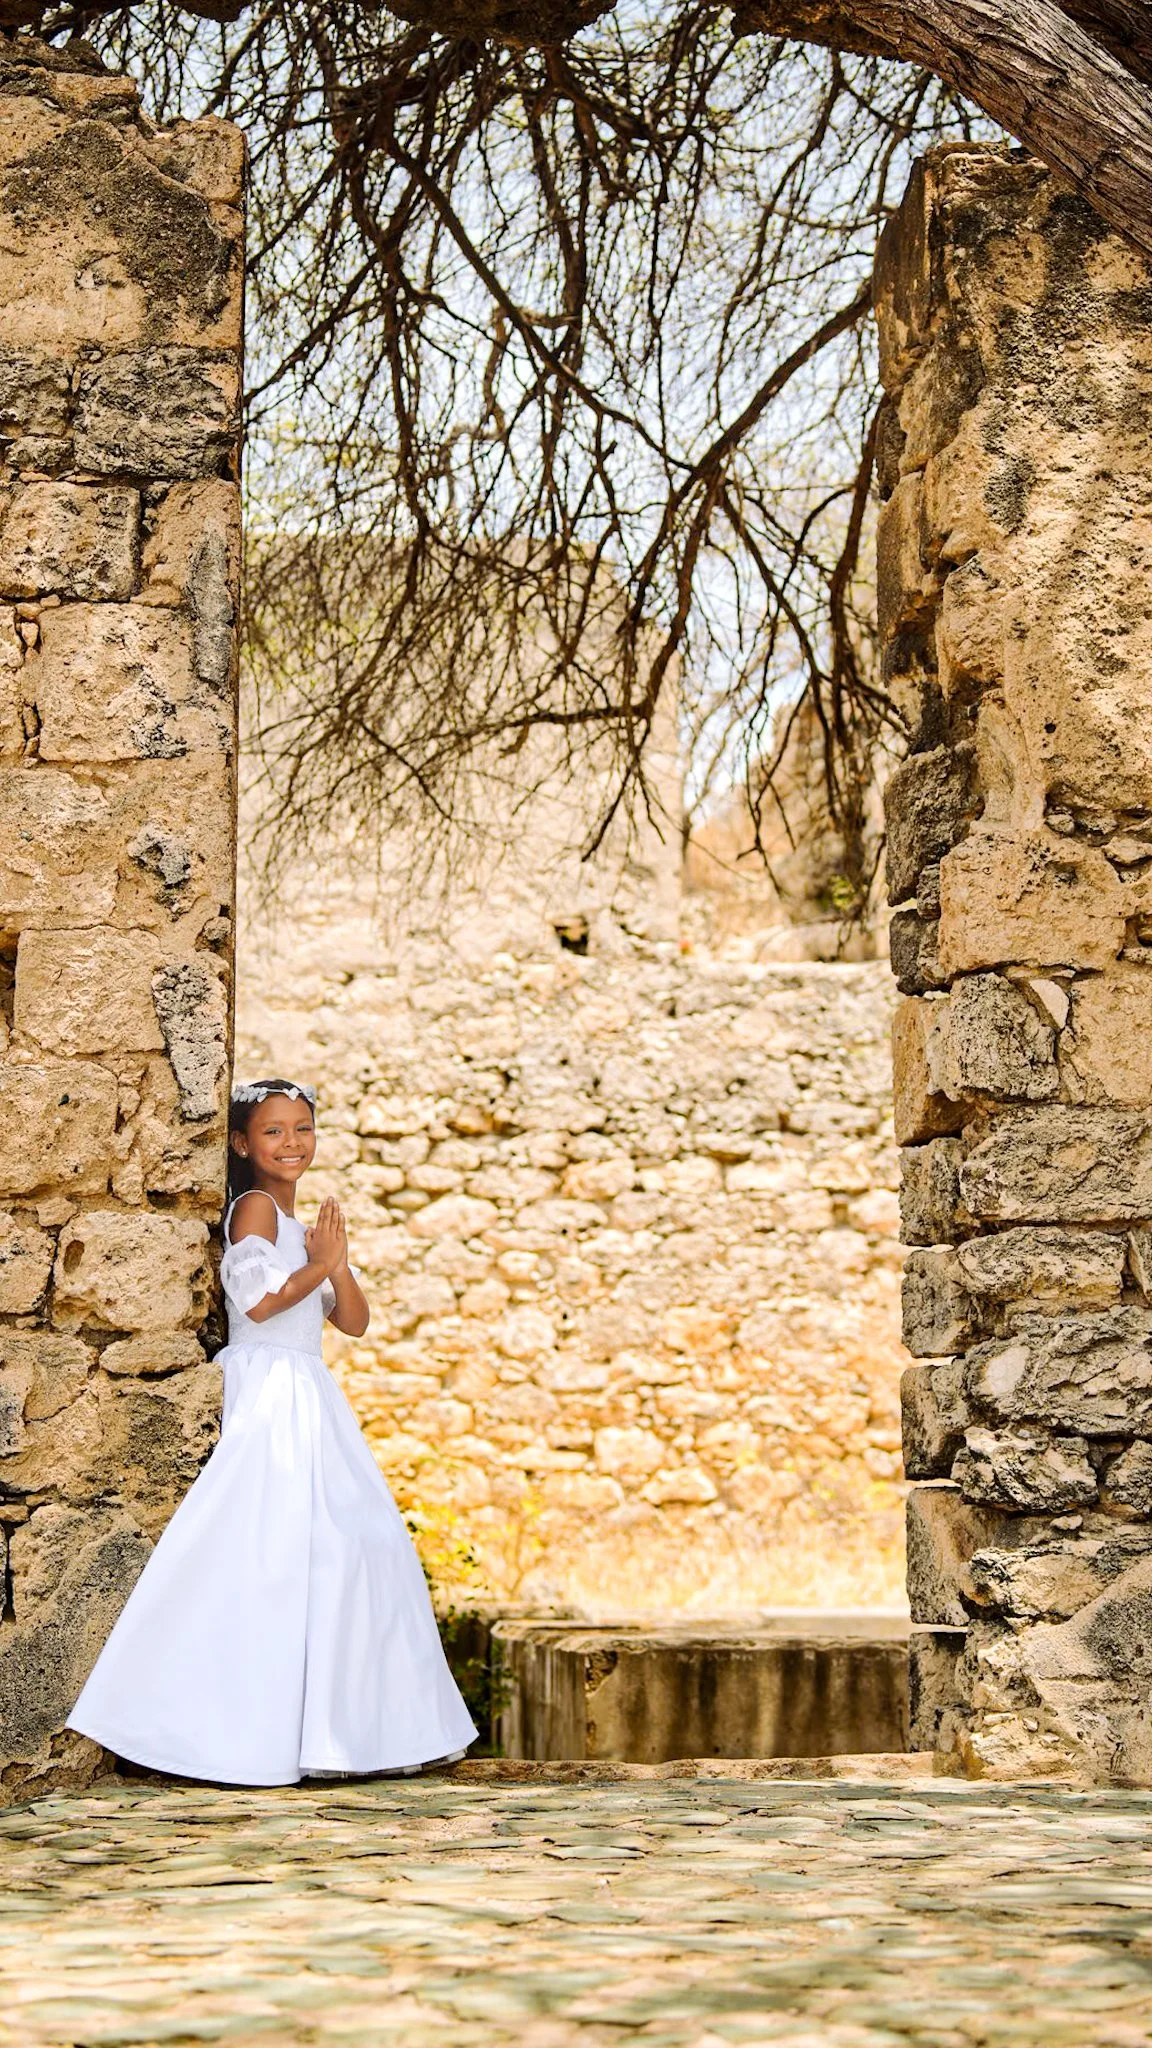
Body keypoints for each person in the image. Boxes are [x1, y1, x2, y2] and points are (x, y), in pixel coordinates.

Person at [68, 1077, 477, 1786]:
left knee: (353, 1547)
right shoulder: (254, 1209)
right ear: (241, 1144)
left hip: (309, 1390)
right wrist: (316, 1265)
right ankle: (233, 1730)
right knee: (273, 1552)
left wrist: (335, 1266)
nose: (291, 1144)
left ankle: (334, 1733)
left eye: (302, 1129)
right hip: (269, 1388)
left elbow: (351, 1321)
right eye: (273, 1132)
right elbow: (258, 1304)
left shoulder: (301, 1225)